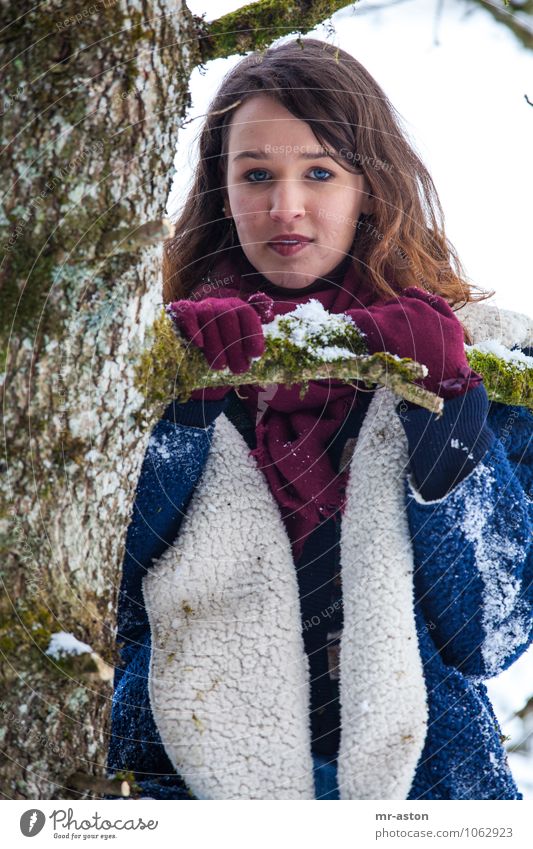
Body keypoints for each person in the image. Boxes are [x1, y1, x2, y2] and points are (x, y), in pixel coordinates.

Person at [107, 38, 533, 800]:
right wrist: (183, 410)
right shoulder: (130, 364)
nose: (285, 207)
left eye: (320, 172)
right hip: (174, 784)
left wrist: (447, 411)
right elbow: (100, 599)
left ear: (369, 186)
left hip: (429, 793)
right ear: (218, 188)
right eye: (257, 175)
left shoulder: (490, 363)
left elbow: (491, 631)